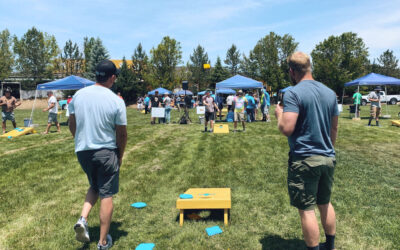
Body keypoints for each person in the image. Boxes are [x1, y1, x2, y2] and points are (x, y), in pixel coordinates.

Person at [275, 52, 339, 250]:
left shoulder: (293, 93)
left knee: (307, 210)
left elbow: (287, 128)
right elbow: (334, 128)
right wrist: (329, 149)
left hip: (304, 159)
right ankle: (329, 246)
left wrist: (279, 114)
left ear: (292, 72)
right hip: (327, 157)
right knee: (325, 203)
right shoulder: (330, 93)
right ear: (310, 67)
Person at [68, 59, 127, 250]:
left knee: (95, 184)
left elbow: (72, 123)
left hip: (83, 151)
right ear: (112, 77)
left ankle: (83, 219)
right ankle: (102, 242)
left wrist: (78, 139)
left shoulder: (78, 95)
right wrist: (120, 154)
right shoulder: (116, 100)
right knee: (107, 193)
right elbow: (121, 133)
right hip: (106, 150)